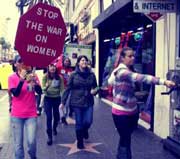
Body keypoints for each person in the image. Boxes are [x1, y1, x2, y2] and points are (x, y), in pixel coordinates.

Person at [108, 47, 175, 159]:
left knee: (125, 139)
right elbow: (143, 78)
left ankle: (120, 156)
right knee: (125, 140)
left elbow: (113, 83)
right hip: (120, 113)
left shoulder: (127, 70)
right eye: (130, 56)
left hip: (132, 112)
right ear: (122, 58)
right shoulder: (122, 72)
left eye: (133, 55)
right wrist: (164, 81)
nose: (133, 58)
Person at [60, 55, 98, 149]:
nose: (84, 62)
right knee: (79, 122)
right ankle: (80, 141)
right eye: (82, 60)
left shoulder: (92, 74)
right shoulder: (73, 74)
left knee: (88, 121)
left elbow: (96, 86)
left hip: (88, 101)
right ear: (78, 63)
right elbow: (68, 88)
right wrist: (63, 102)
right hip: (76, 102)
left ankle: (85, 130)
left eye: (85, 60)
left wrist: (95, 90)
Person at [8, 55, 42, 159]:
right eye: (20, 61)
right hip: (17, 115)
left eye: (24, 61)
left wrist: (35, 83)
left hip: (31, 114)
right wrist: (21, 80)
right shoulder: (12, 77)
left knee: (31, 142)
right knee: (18, 145)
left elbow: (40, 92)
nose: (23, 63)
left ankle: (33, 156)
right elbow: (16, 94)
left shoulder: (33, 76)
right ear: (16, 64)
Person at [42, 64, 64, 146]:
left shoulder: (60, 77)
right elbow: (43, 89)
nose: (52, 68)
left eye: (54, 66)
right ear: (48, 67)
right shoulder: (45, 77)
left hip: (57, 98)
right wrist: (46, 87)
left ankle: (54, 127)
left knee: (56, 116)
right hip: (48, 99)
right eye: (51, 66)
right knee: (49, 117)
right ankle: (49, 136)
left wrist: (63, 101)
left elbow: (62, 89)